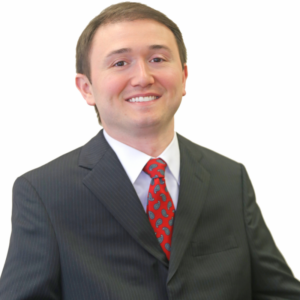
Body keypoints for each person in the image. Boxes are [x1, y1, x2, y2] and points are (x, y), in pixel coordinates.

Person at [0, 2, 300, 299]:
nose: (143, 77)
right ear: (86, 88)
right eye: (120, 63)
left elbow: (278, 293)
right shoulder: (43, 192)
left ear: (183, 76)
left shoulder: (229, 178)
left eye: (157, 59)